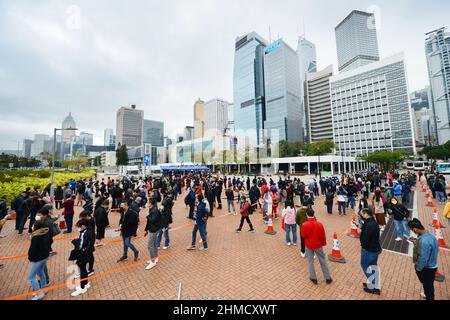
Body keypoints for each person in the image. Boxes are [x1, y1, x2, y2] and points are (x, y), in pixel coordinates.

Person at [408, 218, 439, 300]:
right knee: (429, 284)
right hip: (433, 265)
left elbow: (423, 259)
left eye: (412, 230)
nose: (412, 232)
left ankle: (429, 296)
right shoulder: (431, 236)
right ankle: (427, 293)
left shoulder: (424, 241)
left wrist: (418, 269)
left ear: (415, 229)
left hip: (426, 268)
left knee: (428, 287)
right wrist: (416, 242)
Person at [300, 208, 333, 285]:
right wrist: (323, 243)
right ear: (313, 214)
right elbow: (323, 236)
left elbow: (303, 235)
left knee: (311, 262)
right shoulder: (319, 224)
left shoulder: (304, 225)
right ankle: (327, 278)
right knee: (323, 261)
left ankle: (313, 277)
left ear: (307, 215)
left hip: (309, 245)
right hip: (318, 245)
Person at [360, 208, 382, 295]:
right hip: (375, 249)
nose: (361, 215)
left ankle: (373, 285)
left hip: (369, 250)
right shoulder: (373, 222)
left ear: (366, 214)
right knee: (373, 267)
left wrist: (363, 247)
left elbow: (365, 239)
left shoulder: (369, 225)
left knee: (365, 266)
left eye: (362, 214)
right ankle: (374, 284)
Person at [27, 220, 51, 300]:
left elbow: (33, 249)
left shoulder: (36, 237)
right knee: (41, 272)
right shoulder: (46, 233)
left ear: (36, 227)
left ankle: (39, 293)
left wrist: (30, 257)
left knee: (31, 277)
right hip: (45, 256)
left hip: (38, 258)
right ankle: (44, 289)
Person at [71, 219, 95, 297]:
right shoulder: (90, 231)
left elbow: (81, 245)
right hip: (88, 252)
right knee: (83, 268)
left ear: (83, 226)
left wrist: (74, 241)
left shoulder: (84, 233)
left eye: (79, 226)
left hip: (84, 253)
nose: (78, 228)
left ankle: (83, 287)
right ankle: (86, 283)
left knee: (82, 269)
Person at [144, 198, 162, 270]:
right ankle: (155, 258)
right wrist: (146, 229)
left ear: (151, 203)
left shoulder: (155, 210)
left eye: (148, 202)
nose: (147, 204)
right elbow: (149, 221)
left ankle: (153, 262)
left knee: (150, 245)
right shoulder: (152, 209)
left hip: (154, 230)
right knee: (154, 244)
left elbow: (152, 220)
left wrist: (148, 216)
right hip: (152, 229)